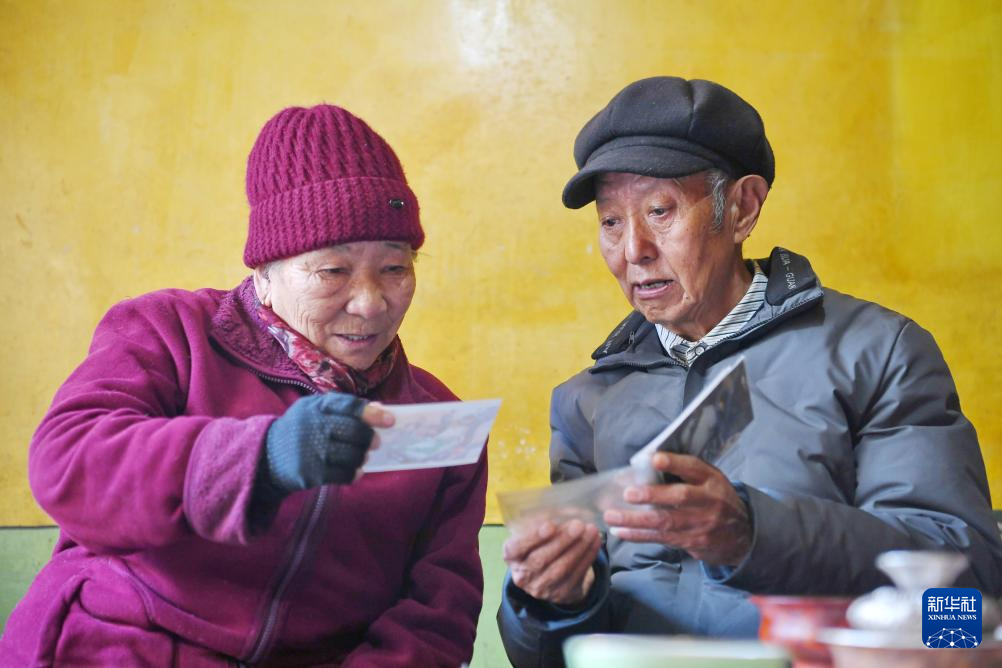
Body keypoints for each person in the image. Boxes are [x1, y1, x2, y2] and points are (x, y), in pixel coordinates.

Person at [497, 76, 1002, 667]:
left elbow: (969, 596)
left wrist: (754, 534)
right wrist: (552, 604)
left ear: (742, 208)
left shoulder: (878, 352)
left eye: (659, 212)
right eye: (610, 222)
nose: (633, 250)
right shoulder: (587, 401)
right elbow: (545, 660)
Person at [0, 104, 487, 666]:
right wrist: (262, 456)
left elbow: (436, 616)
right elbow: (68, 464)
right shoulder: (171, 333)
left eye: (395, 269)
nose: (371, 303)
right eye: (333, 271)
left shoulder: (434, 419)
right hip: (119, 647)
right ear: (264, 273)